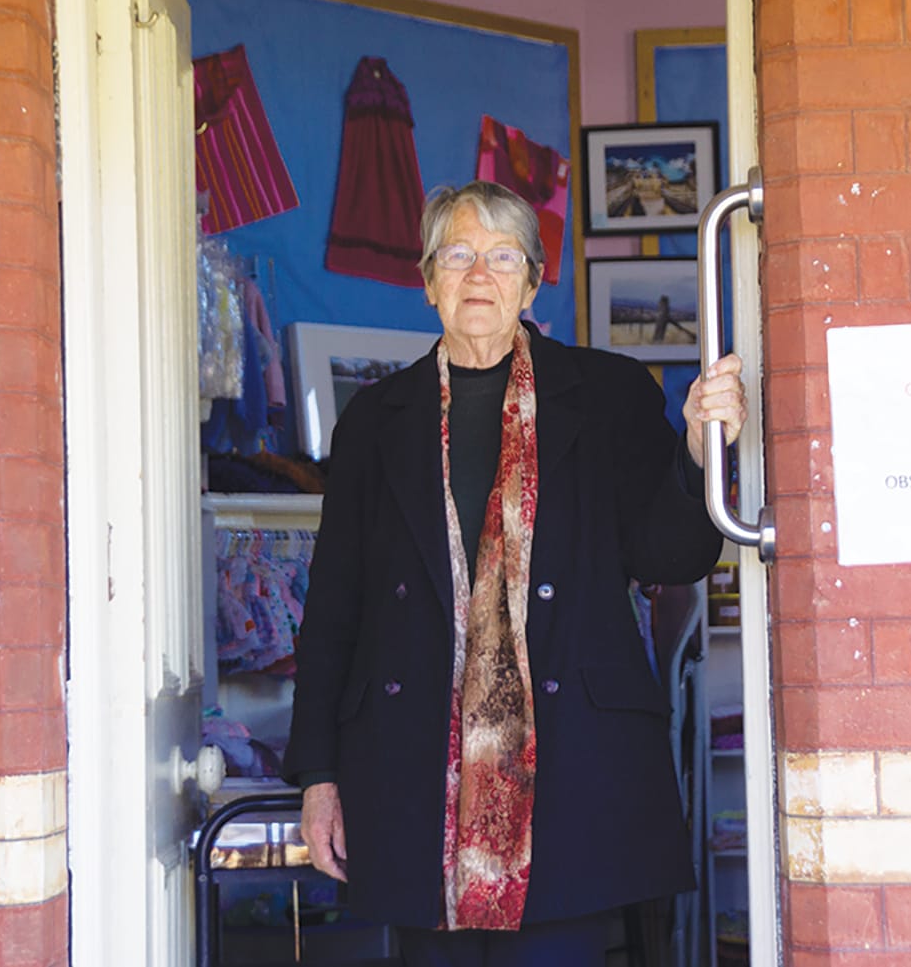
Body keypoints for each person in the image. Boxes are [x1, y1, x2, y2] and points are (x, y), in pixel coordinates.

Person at [282, 179, 747, 966]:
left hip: (570, 766)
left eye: (502, 257)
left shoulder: (606, 395)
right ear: (427, 281)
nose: (477, 275)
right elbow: (333, 606)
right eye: (457, 255)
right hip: (412, 768)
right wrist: (318, 776)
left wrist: (698, 457)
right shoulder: (374, 419)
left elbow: (667, 555)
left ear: (532, 281)